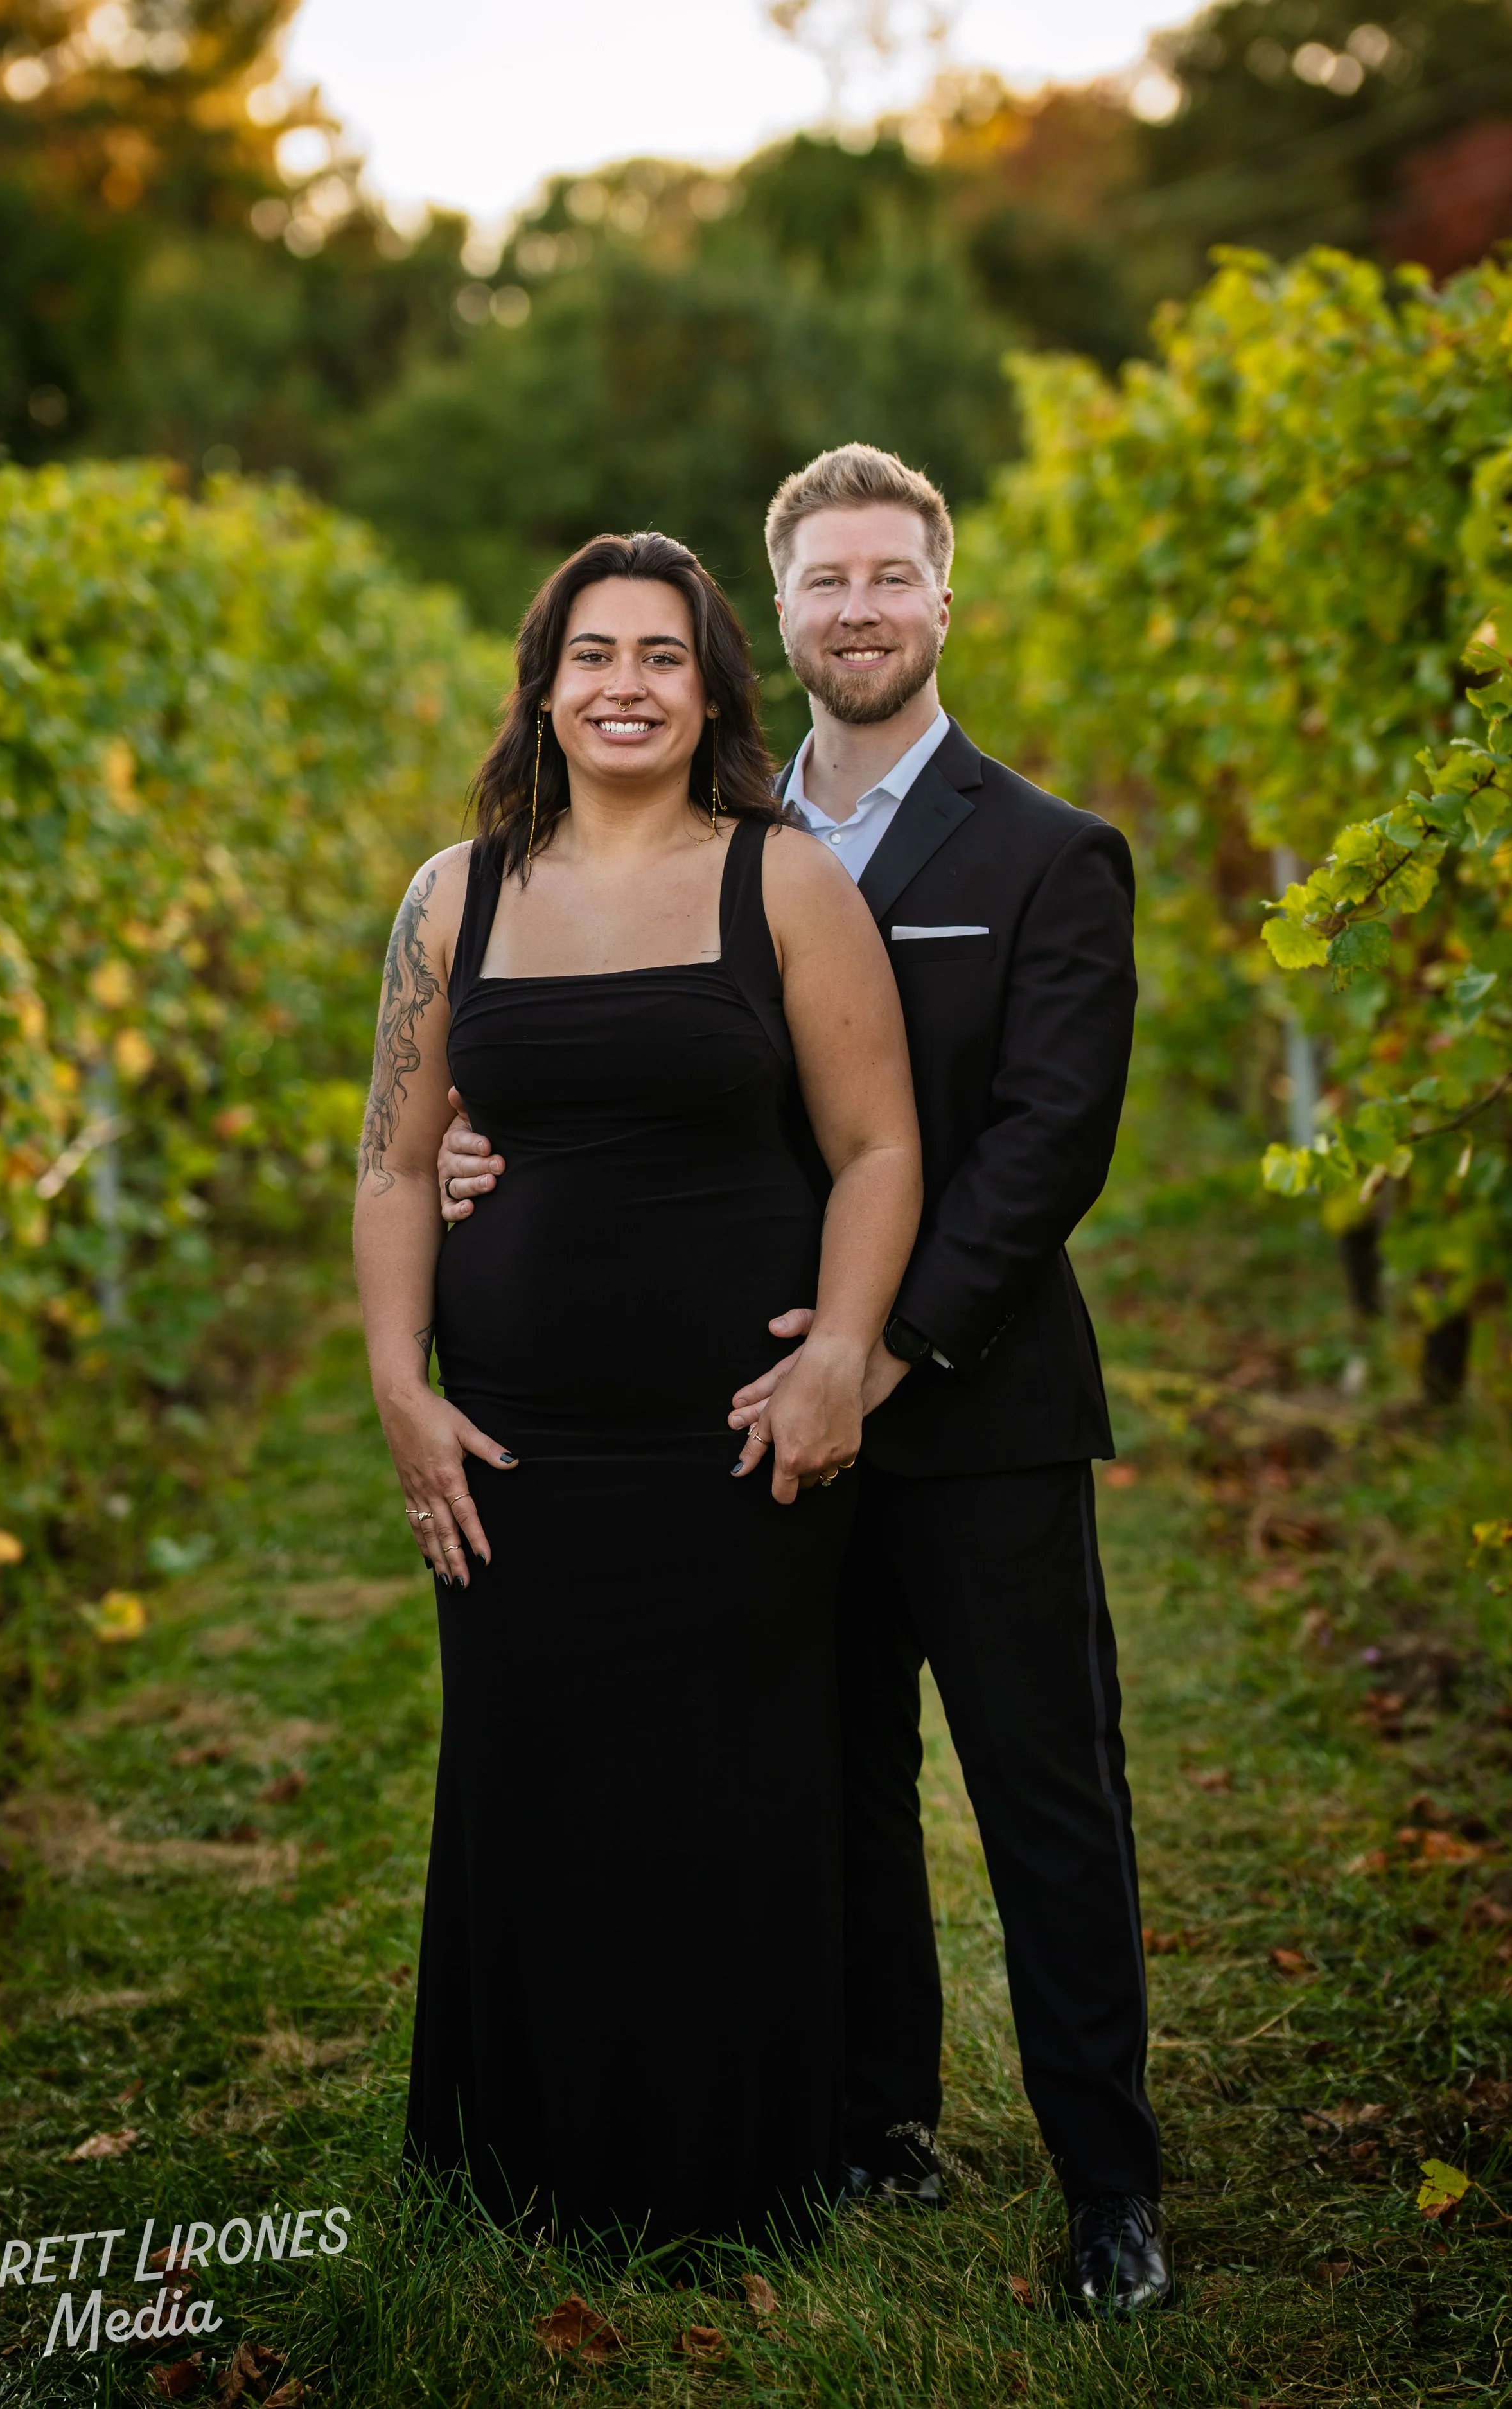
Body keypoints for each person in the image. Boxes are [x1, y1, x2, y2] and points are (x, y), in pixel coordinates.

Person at [437, 448, 1172, 2313]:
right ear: (779, 614)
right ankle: (870, 2118)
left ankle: (1108, 2184)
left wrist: (886, 1345)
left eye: (887, 578)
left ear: (942, 599)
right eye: (822, 581)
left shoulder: (1043, 849)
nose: (855, 609)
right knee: (821, 1780)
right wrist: (479, 1141)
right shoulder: (709, 831)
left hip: (968, 1403)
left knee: (1040, 1791)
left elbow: (1043, 1142)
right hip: (742, 1422)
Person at [353, 529, 921, 2252]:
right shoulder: (454, 896)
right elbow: (391, 1168)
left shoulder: (785, 883)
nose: (621, 684)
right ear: (541, 683)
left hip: (730, 1442)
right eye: (590, 653)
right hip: (518, 1442)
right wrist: (399, 1384)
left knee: (732, 1787)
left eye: (659, 656)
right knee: (529, 1774)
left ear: (711, 687)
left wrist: (837, 1353)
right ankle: (525, 2155)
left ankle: (734, 2166)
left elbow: (879, 1143)